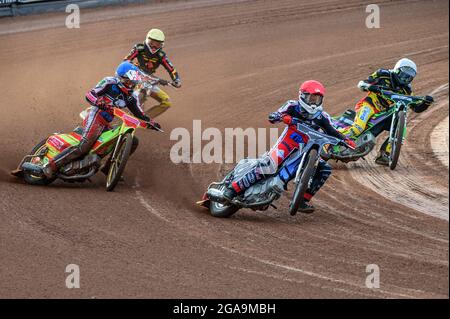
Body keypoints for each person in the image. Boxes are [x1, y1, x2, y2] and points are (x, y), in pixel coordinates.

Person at [221, 80, 356, 213]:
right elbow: (275, 116)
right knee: (269, 165)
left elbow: (332, 131)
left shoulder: (322, 116)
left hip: (306, 150)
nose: (314, 102)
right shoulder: (292, 106)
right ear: (302, 96)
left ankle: (302, 200)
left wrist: (346, 140)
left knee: (325, 169)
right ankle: (232, 190)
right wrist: (279, 116)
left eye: (317, 99)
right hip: (287, 143)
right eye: (311, 98)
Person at [30, 61, 160, 178]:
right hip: (96, 116)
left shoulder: (131, 96)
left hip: (107, 123)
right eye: (129, 82)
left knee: (133, 141)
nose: (131, 85)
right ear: (121, 78)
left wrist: (151, 122)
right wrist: (99, 102)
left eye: (134, 83)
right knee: (84, 146)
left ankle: (109, 169)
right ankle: (51, 166)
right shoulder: (109, 82)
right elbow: (90, 95)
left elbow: (139, 112)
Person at [339, 58, 433, 165]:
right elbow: (362, 83)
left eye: (408, 77)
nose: (405, 79)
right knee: (358, 128)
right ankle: (330, 140)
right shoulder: (383, 74)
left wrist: (426, 103)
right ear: (397, 70)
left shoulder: (407, 90)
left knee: (401, 130)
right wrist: (371, 86)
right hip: (369, 105)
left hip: (384, 114)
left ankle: (384, 154)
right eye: (403, 75)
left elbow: (415, 107)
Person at [124, 28, 181, 118]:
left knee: (167, 102)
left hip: (149, 79)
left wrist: (176, 79)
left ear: (162, 45)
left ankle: (144, 119)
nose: (154, 47)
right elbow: (126, 60)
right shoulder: (139, 48)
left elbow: (171, 69)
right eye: (152, 43)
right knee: (119, 85)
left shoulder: (161, 56)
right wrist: (130, 65)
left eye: (157, 45)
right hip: (135, 75)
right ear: (147, 40)